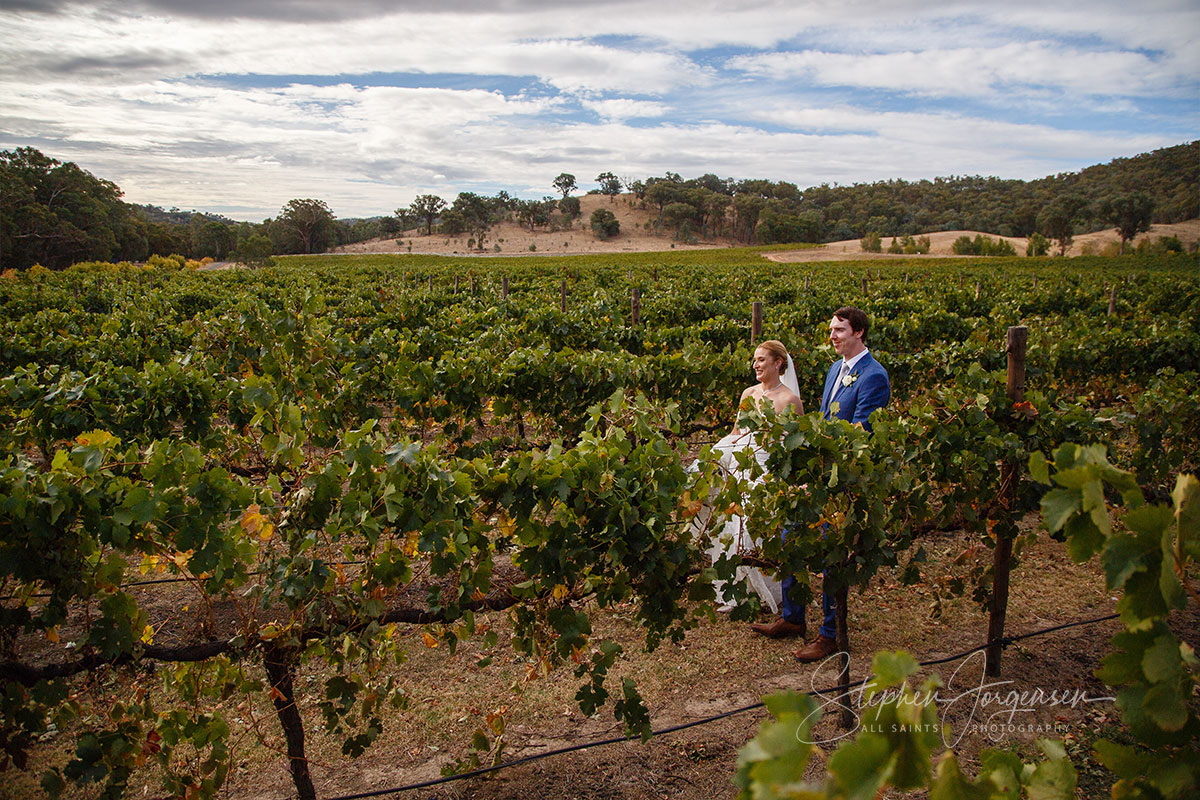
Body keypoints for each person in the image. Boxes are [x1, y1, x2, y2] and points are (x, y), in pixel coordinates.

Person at [751, 306, 891, 664]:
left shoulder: (874, 376)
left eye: (839, 330)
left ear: (859, 332)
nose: (832, 336)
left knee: (832, 553)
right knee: (791, 536)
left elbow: (862, 434)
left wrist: (827, 472)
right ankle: (794, 617)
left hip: (844, 478)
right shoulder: (834, 370)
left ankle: (830, 633)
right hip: (820, 472)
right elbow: (825, 420)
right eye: (831, 329)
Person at [700, 340, 803, 613]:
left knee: (757, 530)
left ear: (778, 363)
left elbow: (795, 445)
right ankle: (736, 591)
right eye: (754, 361)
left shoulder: (790, 401)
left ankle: (765, 590)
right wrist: (715, 456)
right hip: (741, 468)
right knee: (732, 527)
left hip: (766, 472)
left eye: (761, 360)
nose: (756, 365)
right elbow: (736, 433)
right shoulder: (748, 394)